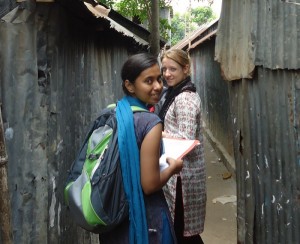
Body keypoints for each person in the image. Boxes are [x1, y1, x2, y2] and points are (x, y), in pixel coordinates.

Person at [99, 52, 183, 244]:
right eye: (148, 81)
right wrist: (173, 168)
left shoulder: (113, 113)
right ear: (130, 85)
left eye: (159, 79)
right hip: (145, 217)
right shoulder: (150, 122)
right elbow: (149, 184)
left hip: (114, 214)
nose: (158, 87)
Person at [158, 49, 206, 244]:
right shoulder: (174, 92)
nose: (167, 74)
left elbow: (186, 140)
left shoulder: (184, 98)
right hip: (178, 173)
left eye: (173, 69)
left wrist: (156, 134)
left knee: (183, 232)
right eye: (164, 69)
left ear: (185, 69)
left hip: (183, 179)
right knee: (181, 231)